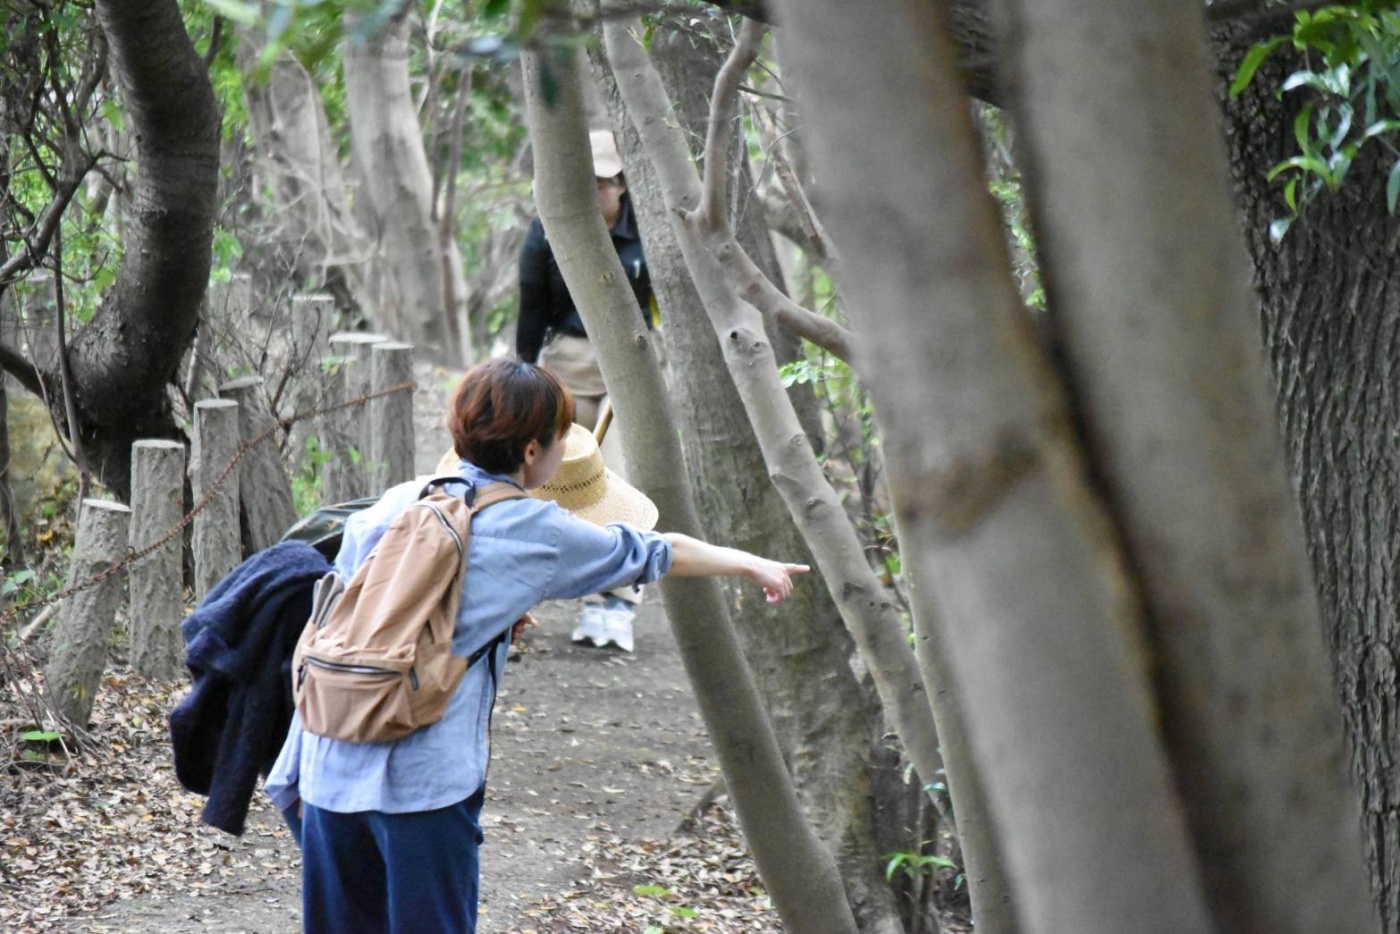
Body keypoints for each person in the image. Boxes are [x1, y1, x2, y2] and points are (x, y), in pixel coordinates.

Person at [265, 358, 806, 934]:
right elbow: (654, 550)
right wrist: (752, 564)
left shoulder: (397, 502)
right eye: (559, 439)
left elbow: (343, 625)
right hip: (422, 789)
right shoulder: (538, 530)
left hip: (328, 766)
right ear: (530, 452)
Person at [515, 128, 656, 651]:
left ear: (619, 184)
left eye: (599, 183)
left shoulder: (646, 229)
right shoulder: (546, 230)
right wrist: (523, 374)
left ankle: (615, 602)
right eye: (582, 183)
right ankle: (529, 599)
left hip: (630, 366)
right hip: (566, 364)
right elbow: (532, 308)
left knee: (617, 484)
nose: (591, 193)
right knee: (558, 483)